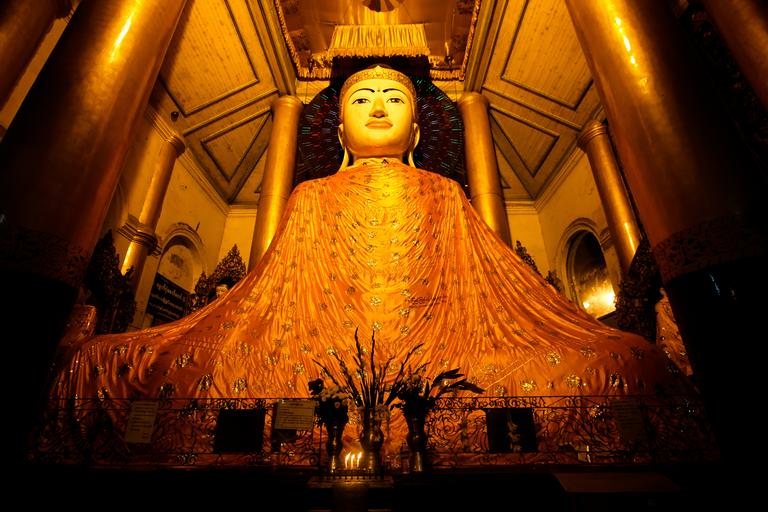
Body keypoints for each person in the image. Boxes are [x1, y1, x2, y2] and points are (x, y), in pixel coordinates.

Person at [46, 65, 693, 459]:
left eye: (393, 97)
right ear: (338, 132)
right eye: (361, 99)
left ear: (417, 131)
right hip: (311, 354)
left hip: (448, 352)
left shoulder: (445, 192)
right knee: (112, 361)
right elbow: (272, 297)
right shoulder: (310, 195)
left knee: (622, 360)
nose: (378, 106)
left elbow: (490, 287)